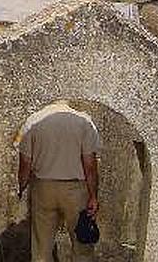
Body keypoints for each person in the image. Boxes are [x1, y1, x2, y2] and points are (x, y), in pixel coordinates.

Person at [16, 101, 100, 262]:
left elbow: (25, 165)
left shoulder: (33, 121)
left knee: (41, 249)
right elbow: (89, 166)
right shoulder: (84, 122)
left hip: (43, 188)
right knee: (82, 246)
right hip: (76, 190)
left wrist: (22, 188)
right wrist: (93, 196)